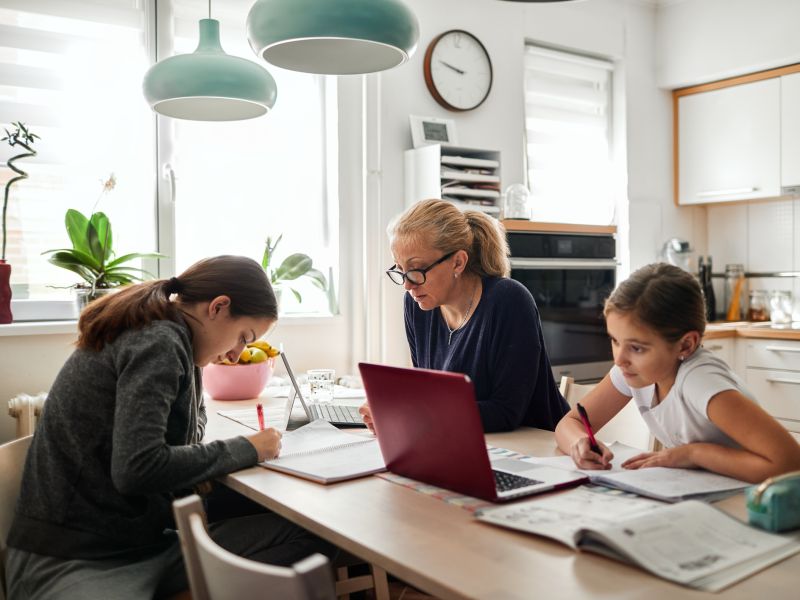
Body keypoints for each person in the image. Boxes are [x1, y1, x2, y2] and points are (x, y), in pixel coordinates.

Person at [6, 255, 334, 600]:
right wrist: (249, 448)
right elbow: (137, 469)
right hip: (77, 557)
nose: (237, 354)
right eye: (243, 337)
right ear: (219, 307)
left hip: (139, 540)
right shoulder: (158, 341)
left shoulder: (178, 340)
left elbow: (187, 433)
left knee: (315, 537)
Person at [555, 262, 800, 483]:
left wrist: (694, 453)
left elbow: (790, 464)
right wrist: (580, 443)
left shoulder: (700, 382)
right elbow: (570, 422)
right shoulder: (633, 370)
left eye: (637, 347)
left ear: (685, 345)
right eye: (615, 340)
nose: (619, 359)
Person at [360, 199, 568, 433]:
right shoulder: (417, 304)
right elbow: (428, 394)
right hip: (463, 442)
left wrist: (415, 414)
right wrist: (393, 409)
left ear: (458, 262)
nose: (407, 285)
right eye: (400, 270)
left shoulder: (509, 301)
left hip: (538, 450)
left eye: (416, 270)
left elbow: (507, 412)